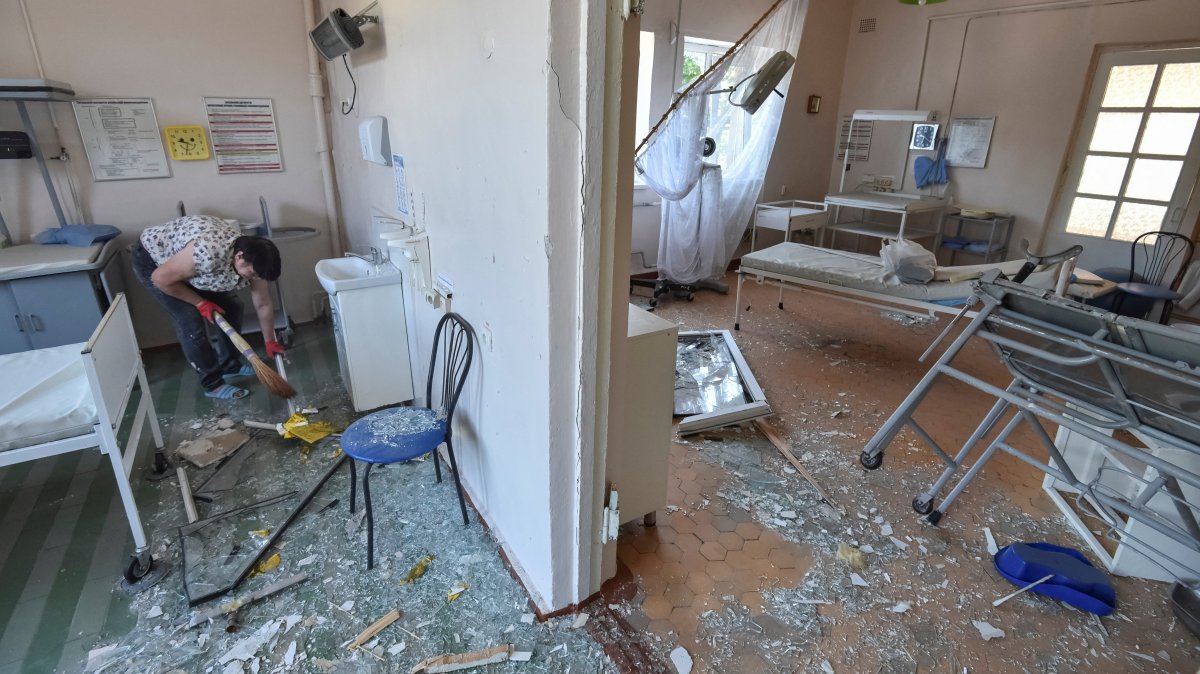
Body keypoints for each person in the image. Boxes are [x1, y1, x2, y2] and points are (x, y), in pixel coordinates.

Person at [131, 214, 285, 400]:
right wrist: (200, 303)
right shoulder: (208, 254)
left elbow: (263, 303)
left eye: (256, 276)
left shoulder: (256, 263)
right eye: (251, 274)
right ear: (239, 257)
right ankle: (213, 384)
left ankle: (230, 365)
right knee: (190, 320)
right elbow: (160, 279)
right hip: (155, 262)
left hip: (186, 262)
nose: (253, 279)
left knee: (232, 307)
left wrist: (269, 340)